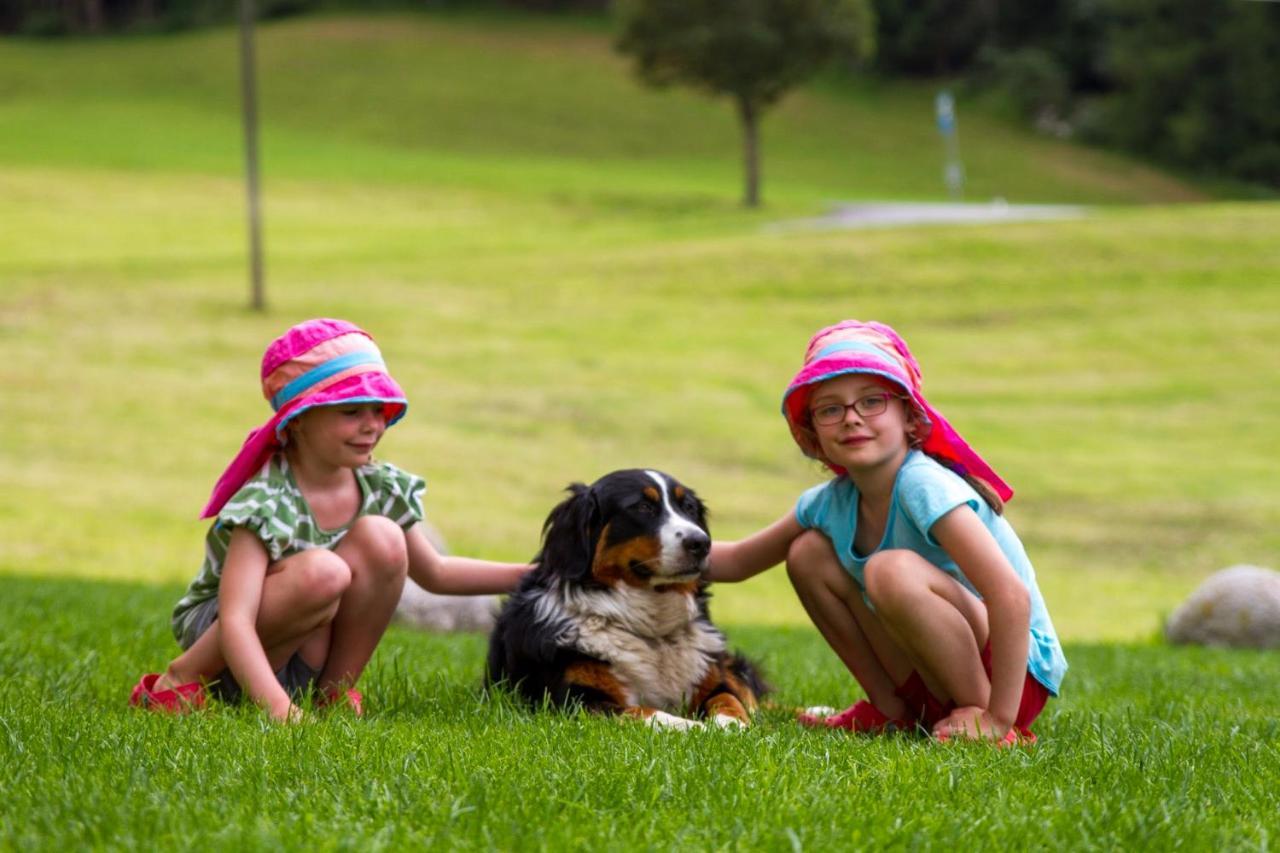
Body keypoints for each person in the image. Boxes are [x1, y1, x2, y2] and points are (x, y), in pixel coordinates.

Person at [129, 318, 529, 721]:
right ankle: (182, 678)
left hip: (303, 646)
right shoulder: (267, 499)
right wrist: (279, 711)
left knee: (384, 538)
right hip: (227, 644)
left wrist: (542, 572)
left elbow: (436, 573)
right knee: (324, 571)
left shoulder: (377, 486)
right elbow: (235, 618)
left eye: (378, 410)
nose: (372, 425)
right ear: (298, 420)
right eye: (352, 411)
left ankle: (332, 693)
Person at [708, 320, 1066, 743]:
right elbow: (733, 562)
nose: (851, 418)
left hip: (1012, 675)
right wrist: (632, 542)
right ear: (813, 435)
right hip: (929, 672)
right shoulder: (829, 503)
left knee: (889, 570)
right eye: (830, 409)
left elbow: (1010, 594)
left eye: (872, 401)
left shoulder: (923, 485)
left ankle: (981, 718)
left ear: (910, 417)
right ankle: (892, 709)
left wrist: (1000, 716)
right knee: (807, 553)